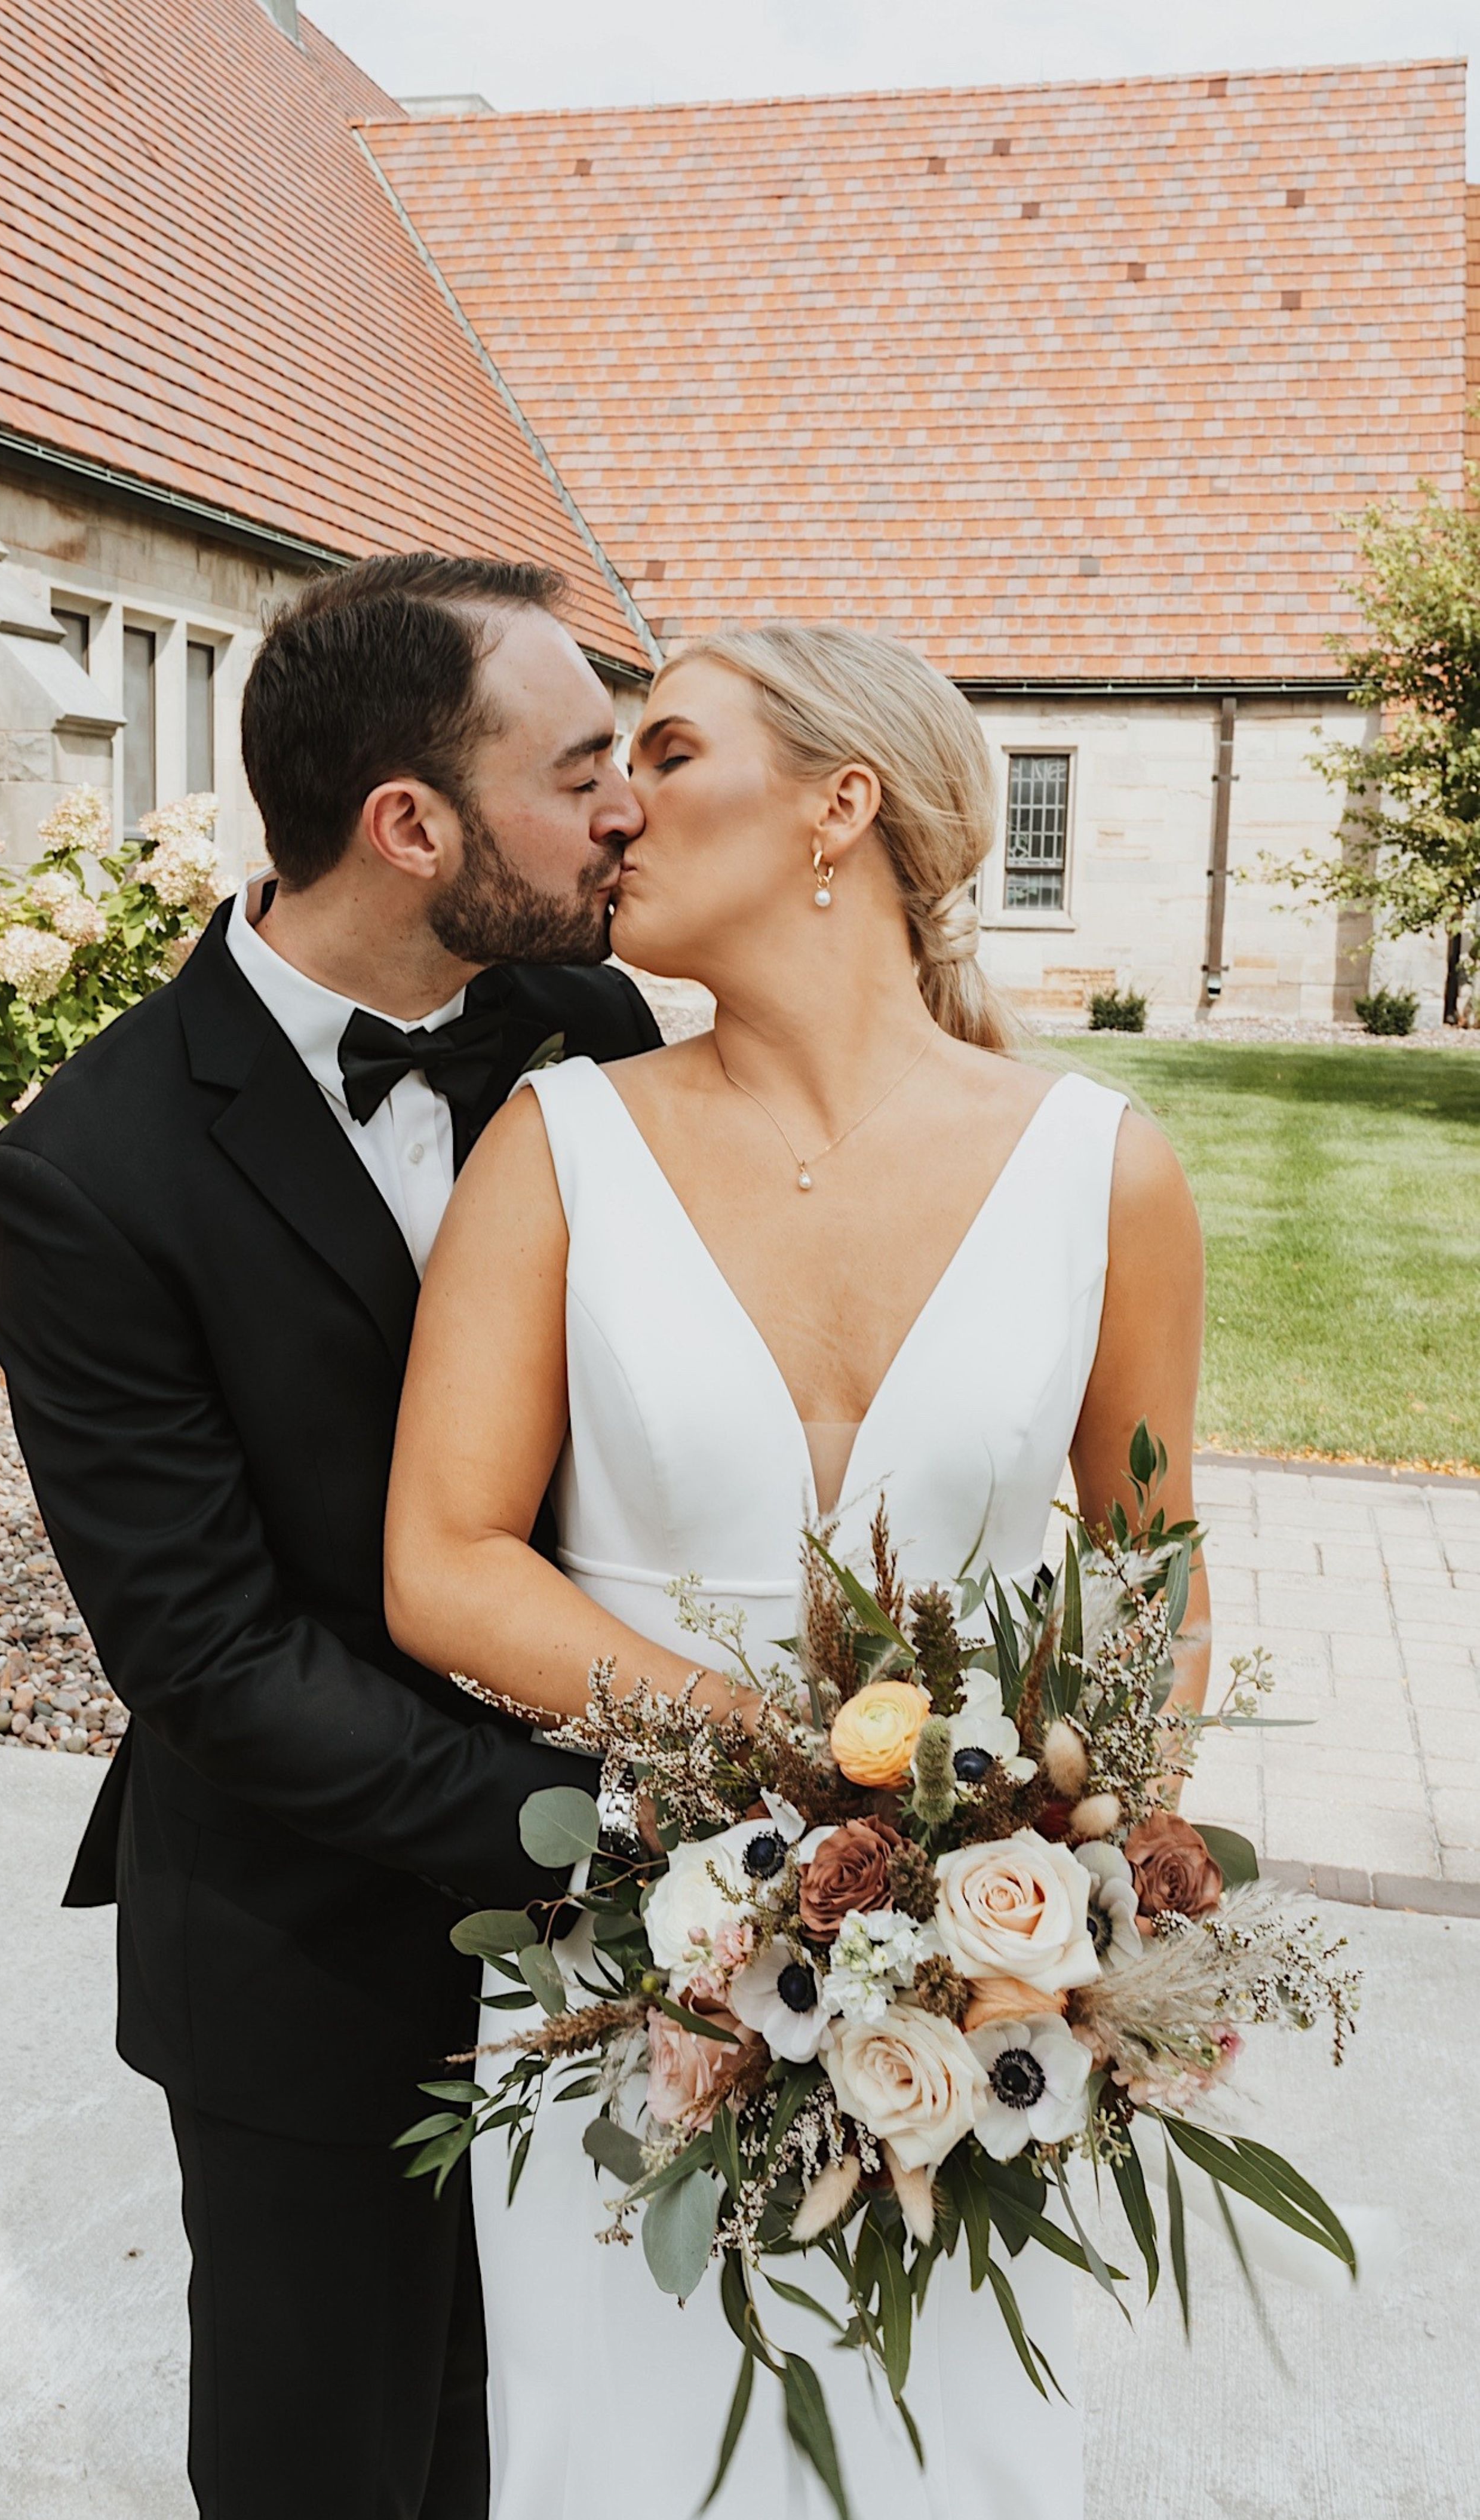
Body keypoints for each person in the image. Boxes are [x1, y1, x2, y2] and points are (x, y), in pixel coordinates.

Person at [386, 622, 1208, 2518]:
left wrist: (1098, 1884)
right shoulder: (557, 1144)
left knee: (950, 2451)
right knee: (624, 2454)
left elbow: (1147, 1557)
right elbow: (441, 1557)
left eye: (667, 753)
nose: (613, 805)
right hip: (636, 1947)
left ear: (841, 804)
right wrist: (778, 1767)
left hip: (983, 1956)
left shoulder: (1105, 1171)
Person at [0, 553, 664, 2520]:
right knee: (344, 2466)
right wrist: (603, 1831)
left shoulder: (583, 1018)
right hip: (310, 1941)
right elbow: (205, 1655)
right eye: (580, 767)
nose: (621, 809)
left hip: (664, 1960)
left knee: (564, 2432)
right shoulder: (86, 1176)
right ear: (409, 824)